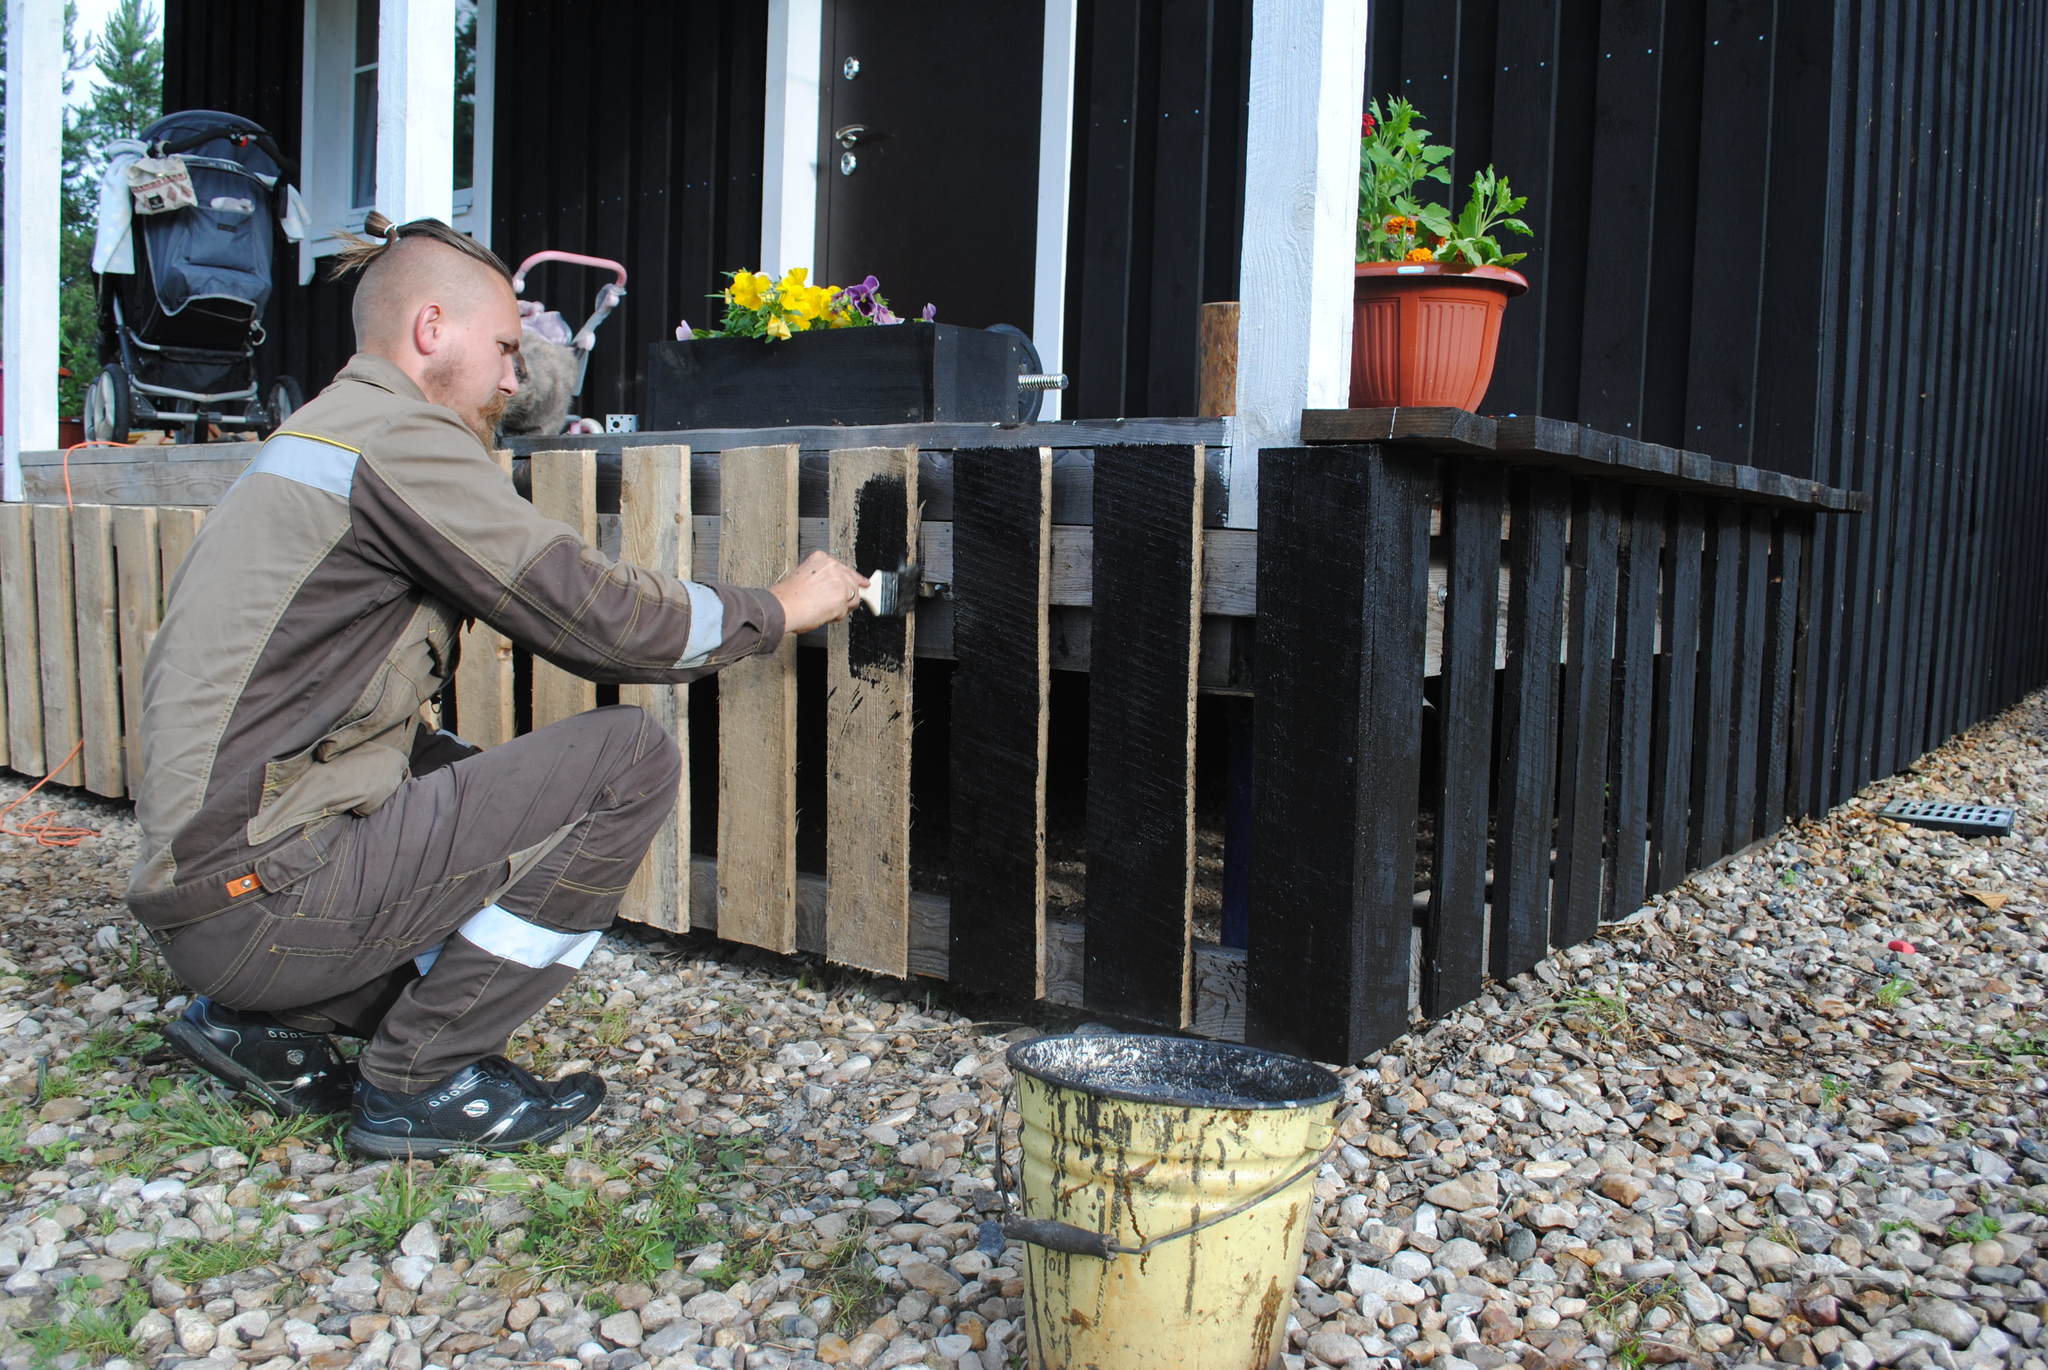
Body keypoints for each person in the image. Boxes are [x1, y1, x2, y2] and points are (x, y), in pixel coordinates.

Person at [125, 213, 868, 1159]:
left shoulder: (322, 432)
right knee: (626, 757)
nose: (515, 380)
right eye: (507, 348)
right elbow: (599, 618)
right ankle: (421, 1080)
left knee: (455, 769)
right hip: (258, 898)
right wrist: (779, 605)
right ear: (431, 330)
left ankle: (266, 1020)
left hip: (208, 894)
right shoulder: (396, 440)